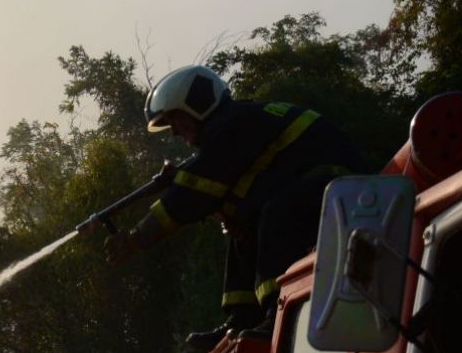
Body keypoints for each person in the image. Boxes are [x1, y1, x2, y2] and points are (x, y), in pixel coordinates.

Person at [107, 65, 367, 333]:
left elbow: (192, 196)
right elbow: (227, 188)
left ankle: (278, 315)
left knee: (277, 213)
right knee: (243, 228)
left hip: (339, 185)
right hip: (314, 185)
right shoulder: (234, 126)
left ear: (197, 105)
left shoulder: (230, 125)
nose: (174, 131)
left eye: (175, 119)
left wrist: (136, 237)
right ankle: (243, 319)